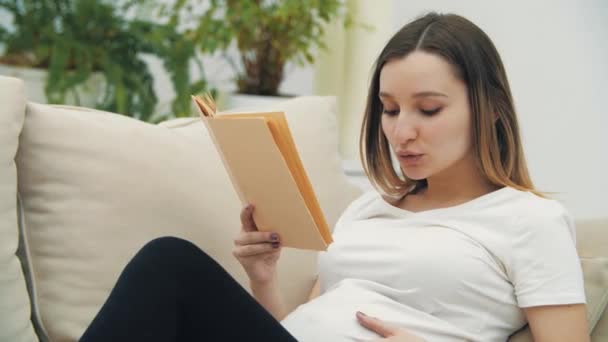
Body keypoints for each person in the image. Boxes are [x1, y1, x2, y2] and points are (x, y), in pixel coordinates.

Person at [79, 12, 589, 342]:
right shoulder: (367, 207)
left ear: (490, 109)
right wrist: (263, 280)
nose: (401, 131)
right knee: (166, 268)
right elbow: (304, 324)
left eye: (428, 110)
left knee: (170, 263)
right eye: (389, 110)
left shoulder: (530, 220)